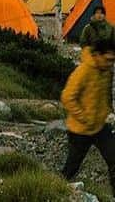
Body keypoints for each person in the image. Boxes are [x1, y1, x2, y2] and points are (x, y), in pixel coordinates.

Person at [60, 28, 114, 191]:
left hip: (100, 126)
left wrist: (107, 110)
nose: (110, 64)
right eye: (108, 59)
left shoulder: (106, 71)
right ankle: (55, 189)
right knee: (72, 167)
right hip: (80, 129)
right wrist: (84, 117)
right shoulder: (83, 71)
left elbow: (105, 94)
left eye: (113, 60)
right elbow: (67, 96)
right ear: (97, 55)